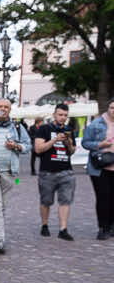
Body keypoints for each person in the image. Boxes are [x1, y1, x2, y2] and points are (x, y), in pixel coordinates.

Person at [0, 98, 31, 253]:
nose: (3, 109)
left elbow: (28, 145)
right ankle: (1, 240)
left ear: (10, 110)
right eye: (0, 106)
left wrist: (16, 146)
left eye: (6, 107)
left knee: (2, 206)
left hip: (10, 173)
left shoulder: (17, 126)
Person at [34, 103, 77, 240]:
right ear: (54, 114)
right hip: (47, 172)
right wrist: (54, 140)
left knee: (65, 201)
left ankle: (63, 229)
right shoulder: (44, 129)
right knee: (46, 201)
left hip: (66, 172)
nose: (63, 118)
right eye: (60, 115)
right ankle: (44, 225)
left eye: (65, 115)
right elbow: (38, 149)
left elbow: (71, 152)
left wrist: (68, 142)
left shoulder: (69, 130)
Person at [81, 98, 114, 240]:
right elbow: (85, 143)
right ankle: (103, 228)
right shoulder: (96, 124)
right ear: (108, 108)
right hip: (100, 168)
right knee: (103, 198)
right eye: (112, 107)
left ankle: (112, 226)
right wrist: (101, 144)